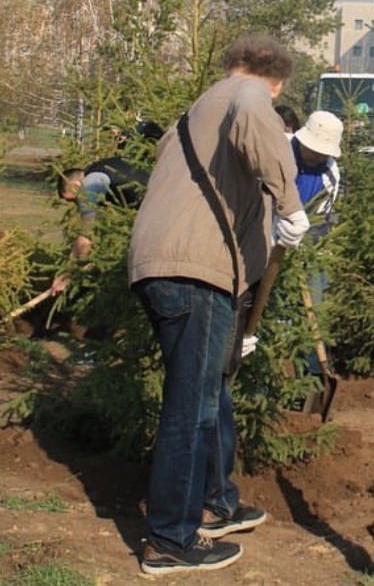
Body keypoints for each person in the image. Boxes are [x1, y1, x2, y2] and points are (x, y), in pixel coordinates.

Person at [127, 35, 309, 575]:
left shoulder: (195, 114)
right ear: (272, 80)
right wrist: (292, 204)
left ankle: (212, 504)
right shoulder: (248, 96)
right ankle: (170, 540)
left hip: (168, 267)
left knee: (205, 396)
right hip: (194, 271)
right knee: (190, 406)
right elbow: (261, 130)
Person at [289, 110, 344, 378]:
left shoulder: (330, 172)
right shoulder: (281, 153)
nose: (321, 156)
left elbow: (320, 220)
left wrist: (302, 246)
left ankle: (310, 374)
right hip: (270, 241)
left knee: (315, 306)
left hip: (312, 246)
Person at [53, 156, 151, 295]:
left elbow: (87, 234)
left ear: (76, 185)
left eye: (73, 199)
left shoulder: (89, 185)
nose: (77, 204)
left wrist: (67, 272)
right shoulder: (105, 168)